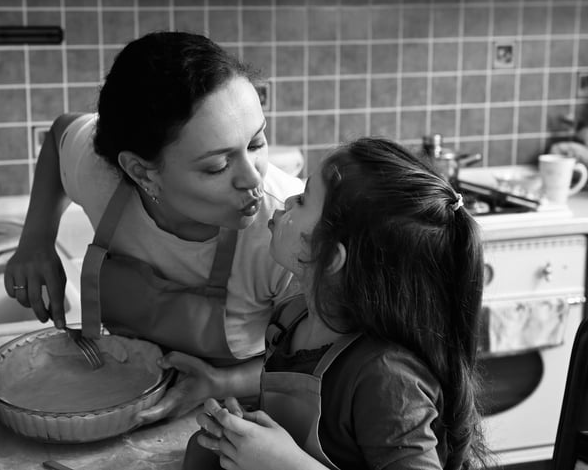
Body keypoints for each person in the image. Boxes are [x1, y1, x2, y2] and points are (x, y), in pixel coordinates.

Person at [3, 31, 304, 424]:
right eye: (217, 166)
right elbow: (63, 131)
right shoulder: (102, 176)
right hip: (122, 393)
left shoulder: (287, 231)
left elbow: (315, 366)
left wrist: (219, 382)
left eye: (256, 142)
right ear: (142, 172)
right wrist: (37, 239)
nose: (252, 178)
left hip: (239, 414)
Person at [189, 137, 490, 470]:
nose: (286, 200)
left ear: (331, 255)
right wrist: (246, 433)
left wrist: (284, 463)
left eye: (303, 200)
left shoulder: (387, 379)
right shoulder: (291, 318)